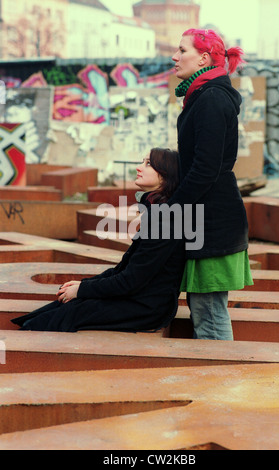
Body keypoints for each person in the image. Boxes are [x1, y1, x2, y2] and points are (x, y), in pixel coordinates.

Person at [12, 148, 185, 333]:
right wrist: (82, 286)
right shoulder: (157, 213)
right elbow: (123, 270)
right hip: (139, 300)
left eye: (148, 163)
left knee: (66, 315)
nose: (138, 167)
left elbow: (130, 281)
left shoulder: (164, 221)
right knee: (58, 309)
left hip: (147, 308)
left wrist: (82, 290)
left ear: (165, 176)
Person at [169, 28, 253, 340]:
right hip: (209, 220)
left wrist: (170, 211)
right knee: (205, 312)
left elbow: (205, 169)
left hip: (214, 224)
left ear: (203, 58)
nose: (174, 57)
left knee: (211, 318)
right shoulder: (204, 96)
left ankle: (223, 384)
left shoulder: (212, 99)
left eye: (182, 50)